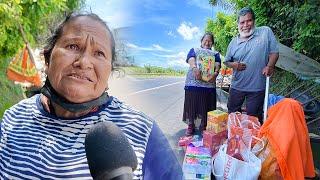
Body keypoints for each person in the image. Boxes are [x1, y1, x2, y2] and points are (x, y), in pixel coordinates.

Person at [0, 12, 183, 180]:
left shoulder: (143, 130)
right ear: (47, 59)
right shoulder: (13, 118)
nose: (84, 62)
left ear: (109, 73)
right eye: (73, 46)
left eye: (99, 53)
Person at [224, 7, 279, 123]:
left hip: (257, 87)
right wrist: (234, 65)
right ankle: (234, 138)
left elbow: (274, 52)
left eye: (249, 21)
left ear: (254, 21)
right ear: (238, 24)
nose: (246, 25)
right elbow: (226, 61)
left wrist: (270, 66)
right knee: (233, 113)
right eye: (242, 22)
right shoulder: (233, 42)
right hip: (237, 86)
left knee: (253, 117)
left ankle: (252, 141)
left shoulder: (265, 32)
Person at [182, 32, 221, 136]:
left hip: (208, 84)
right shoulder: (194, 49)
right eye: (205, 40)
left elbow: (218, 64)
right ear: (201, 41)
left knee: (207, 105)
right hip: (193, 83)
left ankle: (205, 126)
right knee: (192, 104)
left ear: (212, 43)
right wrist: (194, 68)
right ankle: (191, 125)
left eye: (210, 41)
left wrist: (216, 73)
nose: (207, 43)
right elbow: (190, 58)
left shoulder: (215, 54)